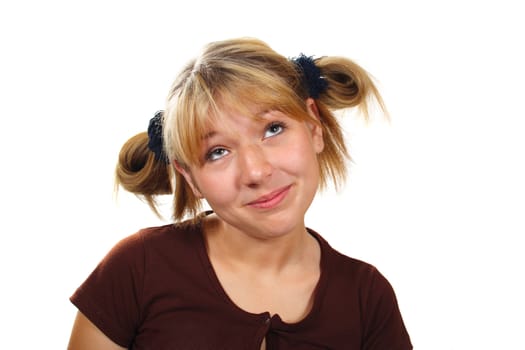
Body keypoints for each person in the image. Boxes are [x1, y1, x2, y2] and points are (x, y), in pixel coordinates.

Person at [67, 37, 412, 350]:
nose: (256, 172)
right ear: (189, 177)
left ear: (313, 126)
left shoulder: (367, 299)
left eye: (273, 129)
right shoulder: (136, 269)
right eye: (217, 152)